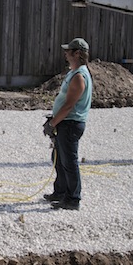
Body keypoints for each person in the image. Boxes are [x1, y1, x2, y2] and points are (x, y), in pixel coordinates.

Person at [43, 37, 93, 210]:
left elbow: (69, 105)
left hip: (70, 124)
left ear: (77, 53)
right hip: (65, 122)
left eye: (68, 51)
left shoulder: (79, 76)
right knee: (58, 159)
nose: (65, 54)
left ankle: (73, 199)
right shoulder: (74, 72)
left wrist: (53, 123)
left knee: (69, 162)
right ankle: (60, 191)